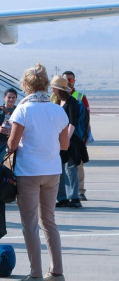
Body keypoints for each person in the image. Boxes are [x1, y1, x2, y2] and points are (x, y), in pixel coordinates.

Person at [7, 64, 69, 281]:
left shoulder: (23, 110)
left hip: (29, 171)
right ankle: (57, 273)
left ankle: (35, 274)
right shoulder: (57, 110)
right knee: (49, 221)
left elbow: (12, 144)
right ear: (46, 84)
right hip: (52, 170)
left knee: (30, 224)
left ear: (26, 85)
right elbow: (64, 145)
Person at [51, 76, 85, 209]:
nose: (51, 89)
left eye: (53, 87)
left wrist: (67, 140)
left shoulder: (72, 102)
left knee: (70, 169)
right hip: (58, 140)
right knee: (59, 169)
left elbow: (72, 123)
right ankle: (62, 198)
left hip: (70, 140)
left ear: (59, 89)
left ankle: (74, 197)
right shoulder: (57, 101)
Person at [63, 70, 91, 200]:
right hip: (61, 136)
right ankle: (64, 192)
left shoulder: (80, 96)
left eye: (71, 80)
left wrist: (85, 136)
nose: (68, 82)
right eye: (66, 80)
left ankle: (80, 191)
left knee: (77, 164)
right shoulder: (55, 96)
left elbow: (86, 118)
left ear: (74, 81)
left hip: (77, 136)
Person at [0, 88, 18, 162]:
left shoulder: (19, 111)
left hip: (15, 143)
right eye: (9, 97)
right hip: (1, 143)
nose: (11, 99)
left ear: (16, 98)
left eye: (13, 97)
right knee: (3, 164)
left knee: (14, 165)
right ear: (4, 98)